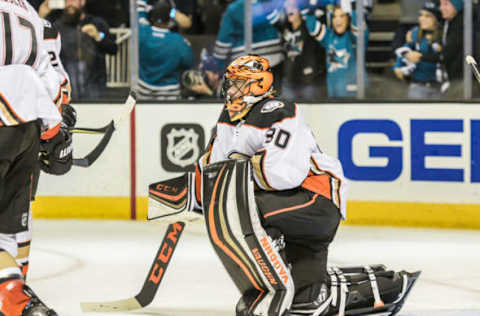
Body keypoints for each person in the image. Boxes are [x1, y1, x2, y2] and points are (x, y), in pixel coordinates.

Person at [149, 55, 421, 316]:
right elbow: (212, 167)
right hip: (292, 207)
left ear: (258, 84)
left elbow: (280, 175)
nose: (229, 88)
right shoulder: (228, 118)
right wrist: (187, 194)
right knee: (306, 303)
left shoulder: (278, 111)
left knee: (242, 210)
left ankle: (272, 283)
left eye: (237, 82)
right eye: (230, 82)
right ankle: (384, 287)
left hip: (317, 199)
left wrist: (232, 175)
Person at [0, 64, 73, 316]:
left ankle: (15, 301)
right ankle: (21, 304)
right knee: (7, 231)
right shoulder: (35, 26)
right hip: (27, 128)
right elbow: (51, 78)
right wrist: (56, 125)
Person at [41, 0, 118, 99]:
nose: (70, 3)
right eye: (66, 1)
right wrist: (41, 19)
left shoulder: (97, 23)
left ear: (83, 2)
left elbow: (113, 49)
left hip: (95, 90)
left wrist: (98, 37)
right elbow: (42, 47)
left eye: (73, 0)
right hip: (68, 88)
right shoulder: (57, 26)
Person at [212, 0, 286, 92]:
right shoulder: (272, 4)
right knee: (273, 102)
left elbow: (224, 41)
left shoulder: (234, 8)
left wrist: (216, 66)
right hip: (274, 62)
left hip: (244, 65)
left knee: (247, 102)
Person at [302, 4, 369, 98]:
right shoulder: (329, 36)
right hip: (333, 91)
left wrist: (353, 7)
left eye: (342, 16)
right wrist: (312, 7)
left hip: (354, 93)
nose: (338, 20)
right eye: (334, 17)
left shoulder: (354, 38)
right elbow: (312, 27)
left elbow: (358, 24)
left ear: (348, 19)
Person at [136, 0, 194, 100]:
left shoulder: (142, 34)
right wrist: (172, 12)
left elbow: (139, 12)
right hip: (169, 96)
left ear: (152, 17)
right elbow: (188, 63)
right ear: (170, 21)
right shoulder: (178, 41)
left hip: (143, 93)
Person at [393, 1, 447, 99]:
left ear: (436, 19)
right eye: (421, 15)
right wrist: (397, 67)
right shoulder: (415, 33)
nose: (422, 19)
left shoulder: (444, 35)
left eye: (427, 16)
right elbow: (404, 50)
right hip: (418, 86)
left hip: (441, 87)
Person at [439, 0, 464, 98]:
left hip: (460, 80)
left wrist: (420, 57)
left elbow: (447, 54)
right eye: (440, 4)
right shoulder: (448, 22)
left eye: (446, 4)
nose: (441, 8)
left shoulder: (461, 24)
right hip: (452, 78)